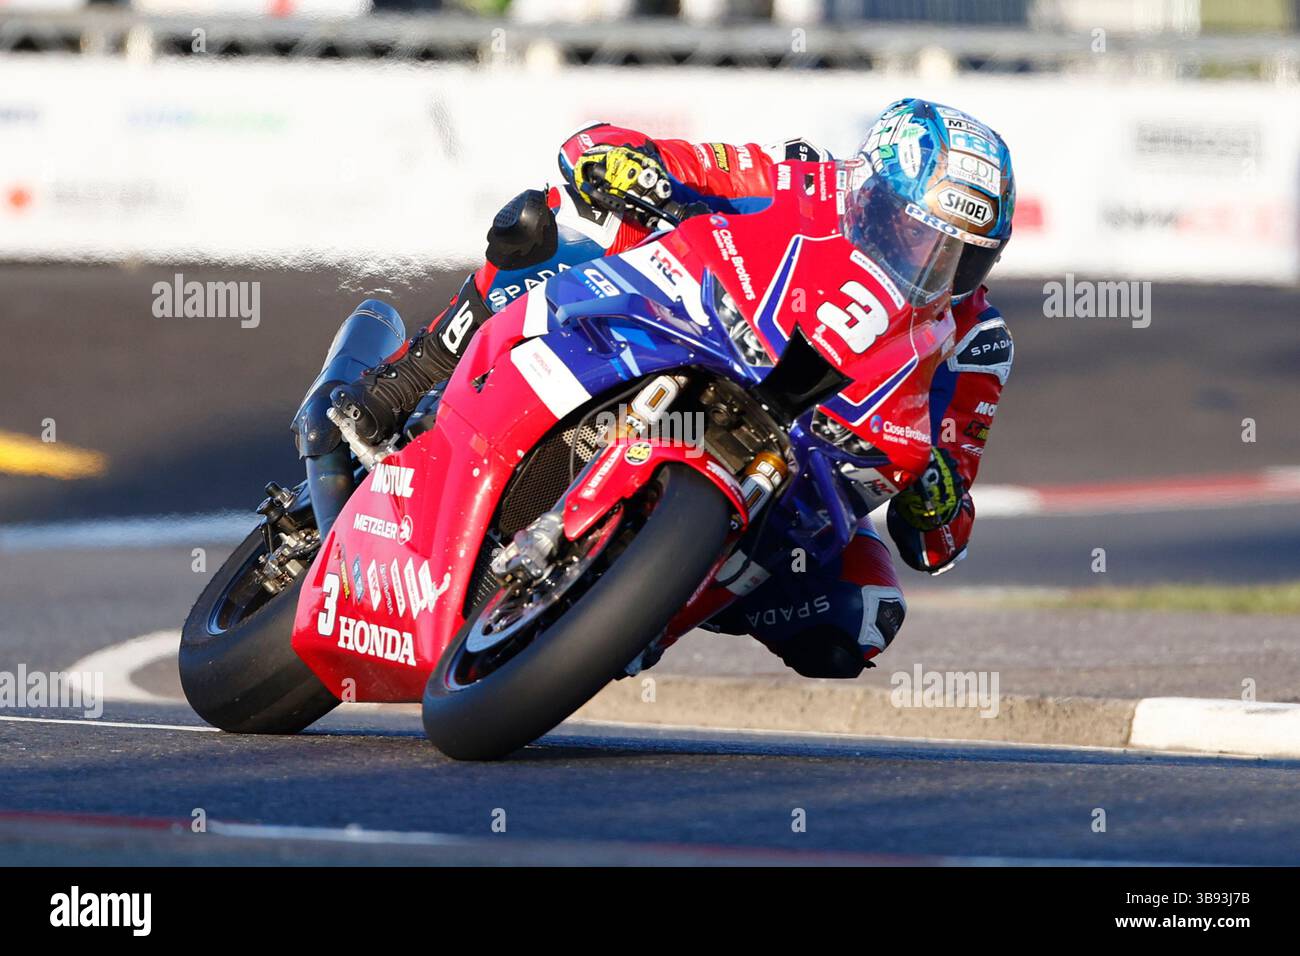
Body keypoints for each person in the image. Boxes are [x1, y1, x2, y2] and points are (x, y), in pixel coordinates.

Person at [331, 97, 1016, 678]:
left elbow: (938, 543)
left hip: (796, 477)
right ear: (874, 196)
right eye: (919, 233)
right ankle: (408, 378)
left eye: (964, 253)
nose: (937, 263)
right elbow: (617, 152)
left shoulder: (976, 342)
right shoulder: (806, 180)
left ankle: (636, 597)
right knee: (556, 230)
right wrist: (633, 166)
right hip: (699, 346)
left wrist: (937, 493)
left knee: (859, 618)